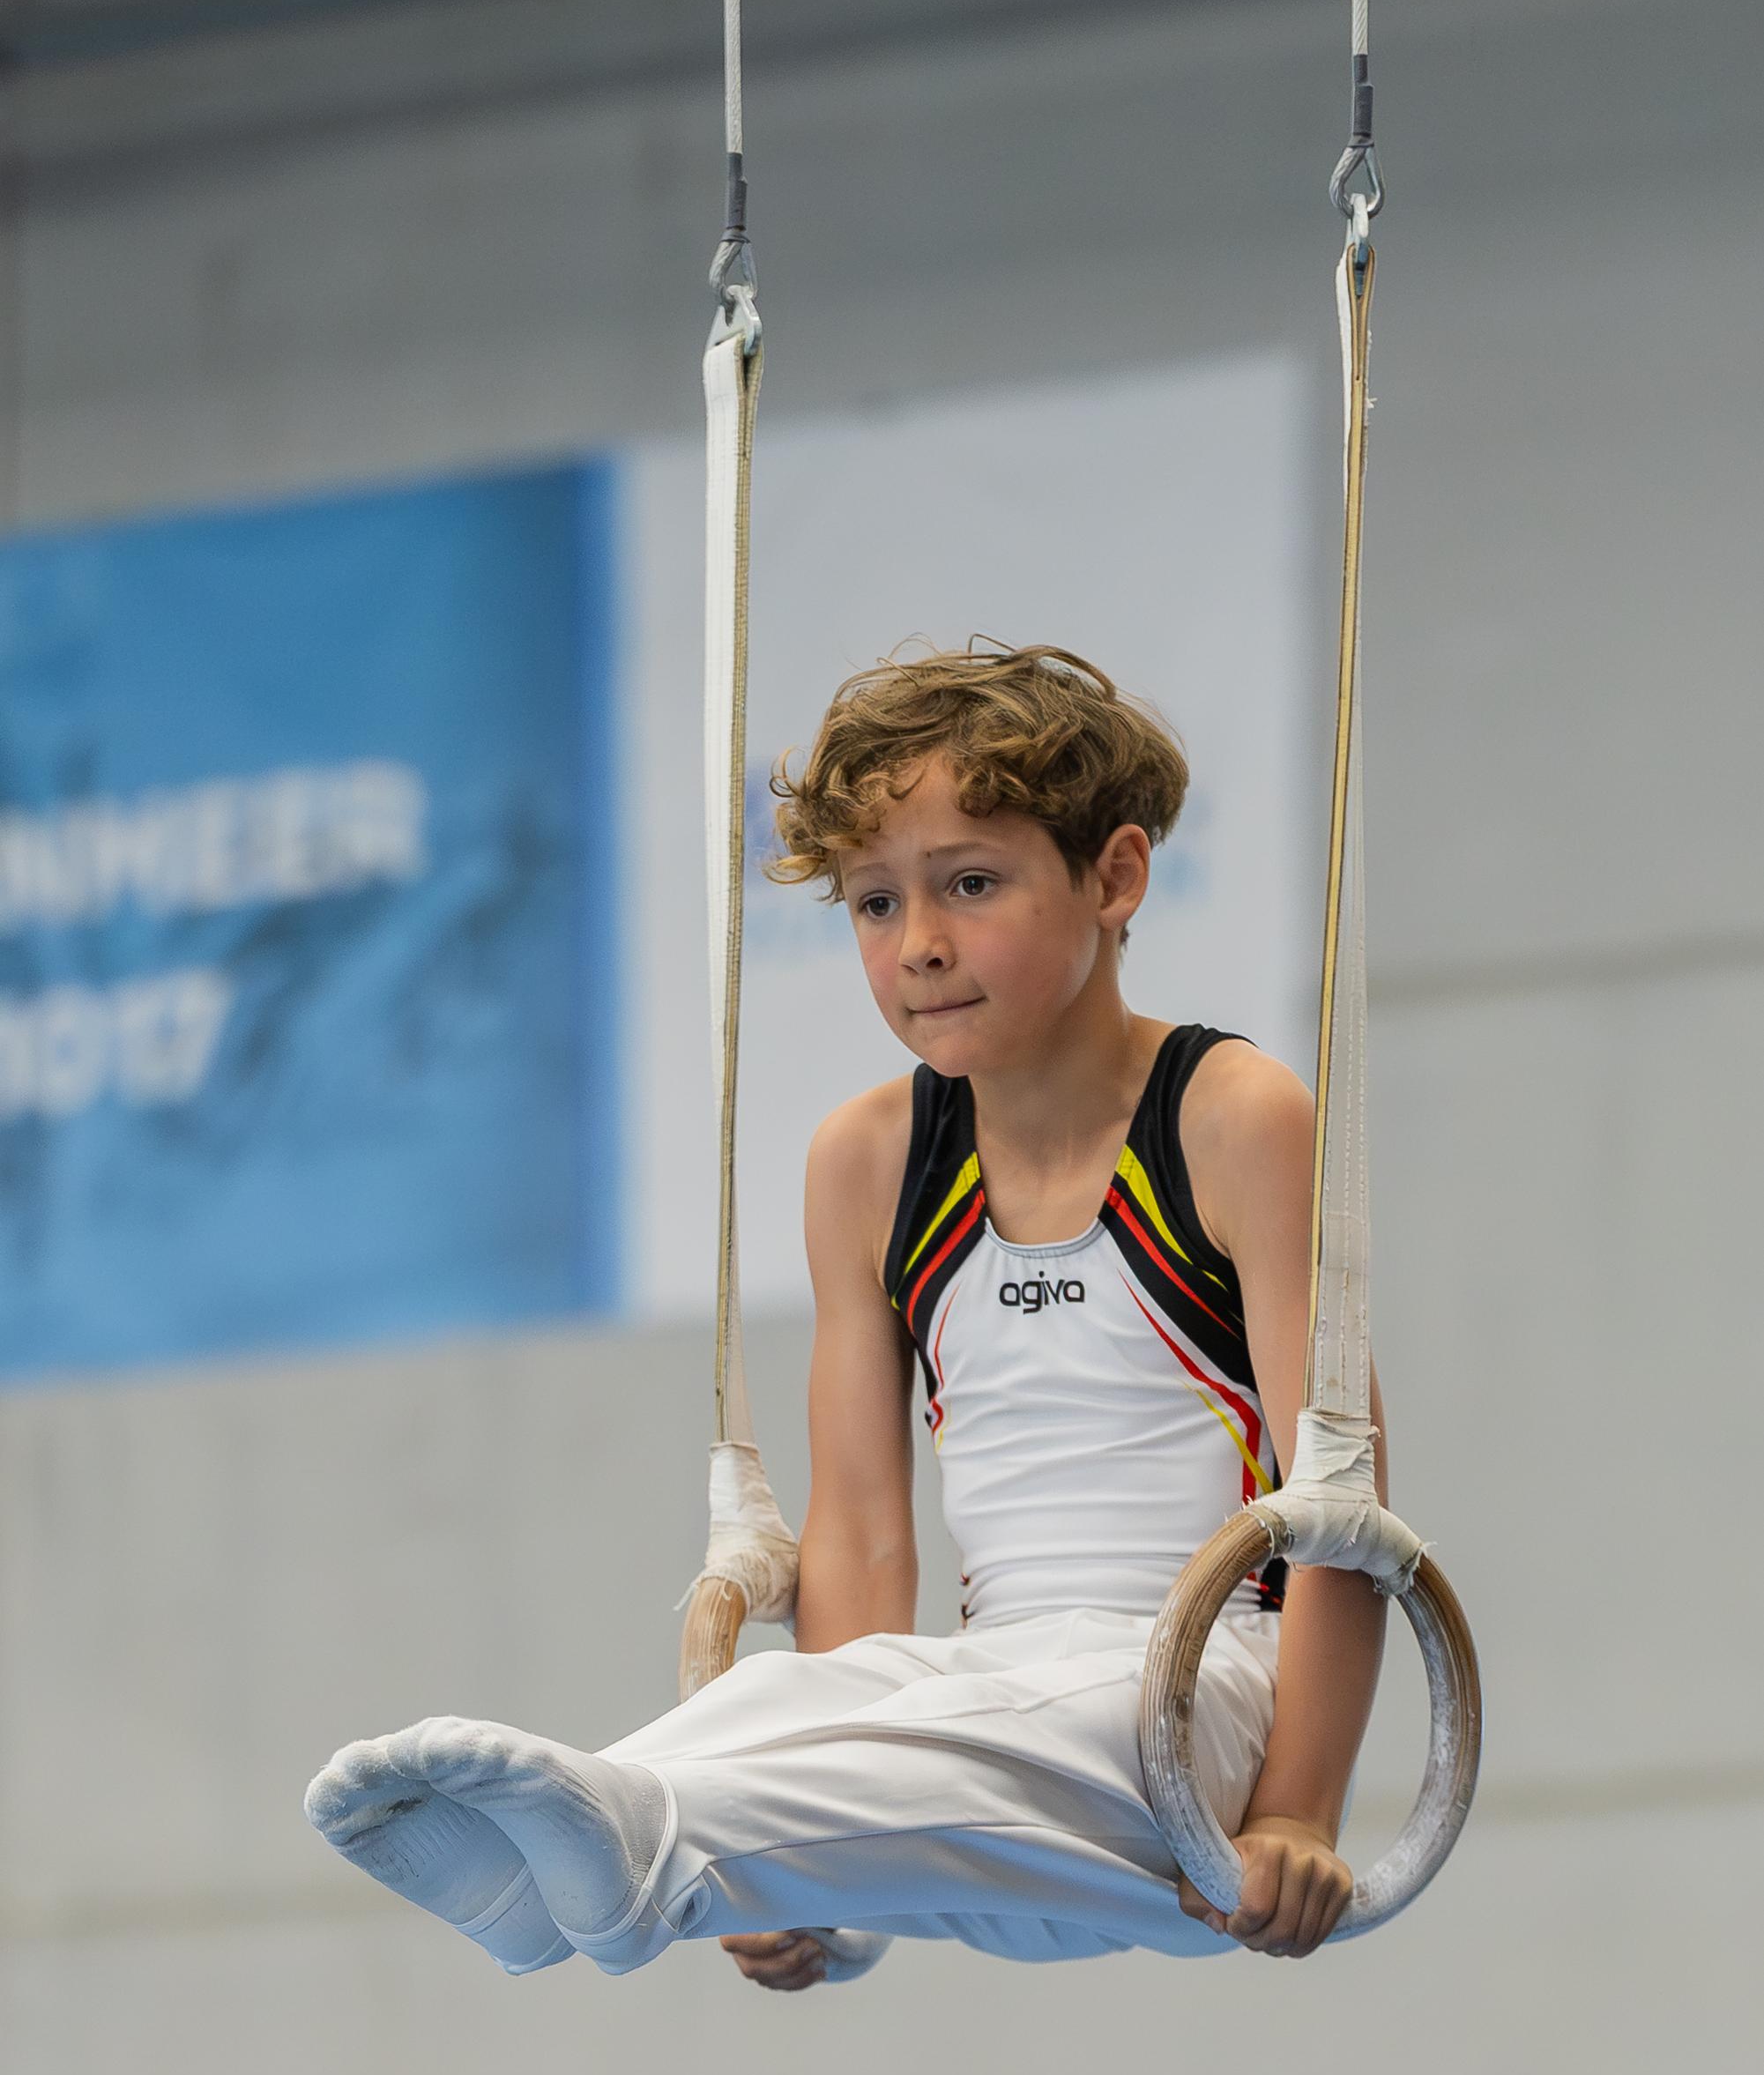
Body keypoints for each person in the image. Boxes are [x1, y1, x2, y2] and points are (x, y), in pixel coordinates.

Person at [305, 644, 1388, 1982]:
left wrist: (1298, 1811)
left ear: (1114, 878)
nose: (918, 943)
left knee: (1047, 1709)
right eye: (875, 902)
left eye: (970, 884)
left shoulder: (1232, 1119)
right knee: (794, 1694)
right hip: (993, 1736)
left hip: (1195, 1728)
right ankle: (596, 1876)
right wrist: (827, 1899)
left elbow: (1346, 1509)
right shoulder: (869, 1162)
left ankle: (642, 1844)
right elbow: (864, 1535)